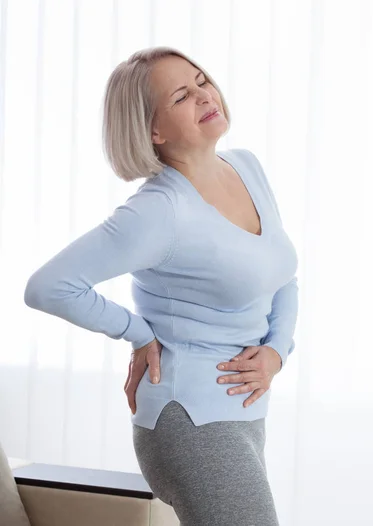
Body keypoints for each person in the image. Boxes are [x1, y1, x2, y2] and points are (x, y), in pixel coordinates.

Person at [23, 46, 299, 526]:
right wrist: (140, 333)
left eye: (201, 80)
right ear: (152, 129)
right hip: (188, 417)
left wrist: (277, 350)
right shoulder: (157, 212)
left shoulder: (246, 168)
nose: (204, 95)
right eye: (180, 96)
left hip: (244, 412)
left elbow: (282, 275)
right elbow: (49, 286)